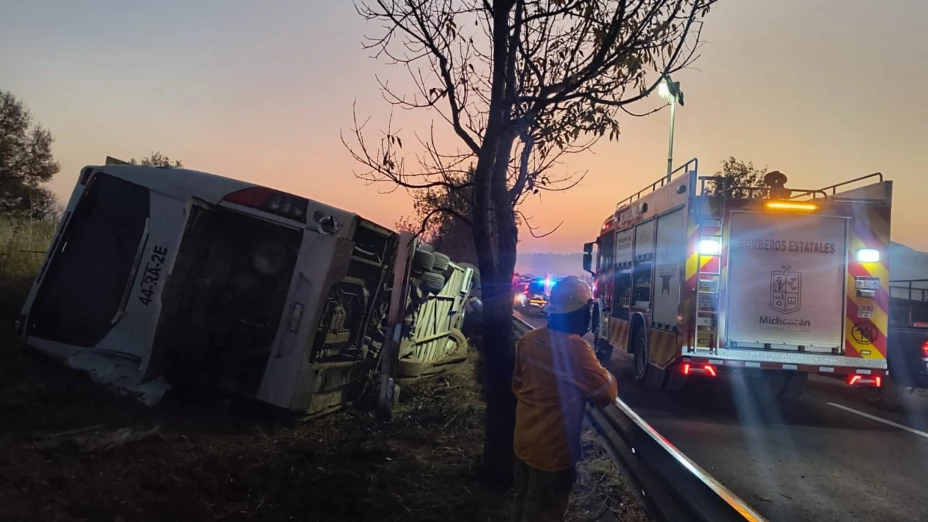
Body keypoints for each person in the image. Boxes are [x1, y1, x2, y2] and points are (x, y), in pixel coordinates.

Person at [510, 276, 618, 522]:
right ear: (579, 313)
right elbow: (607, 393)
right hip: (552, 454)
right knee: (543, 513)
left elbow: (517, 386)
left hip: (523, 444)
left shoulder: (528, 340)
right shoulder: (576, 349)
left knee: (521, 503)